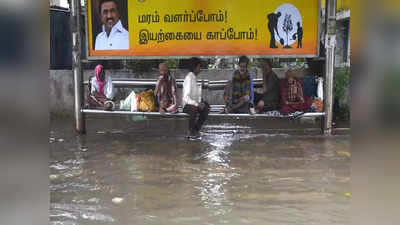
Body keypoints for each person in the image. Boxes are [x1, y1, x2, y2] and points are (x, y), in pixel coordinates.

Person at [182, 57, 210, 139]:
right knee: (194, 109)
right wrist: (197, 104)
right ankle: (191, 131)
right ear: (195, 67)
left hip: (194, 104)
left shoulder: (194, 78)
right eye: (199, 67)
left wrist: (200, 103)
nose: (200, 69)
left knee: (206, 107)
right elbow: (186, 98)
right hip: (187, 105)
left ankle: (195, 130)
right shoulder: (189, 78)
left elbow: (196, 96)